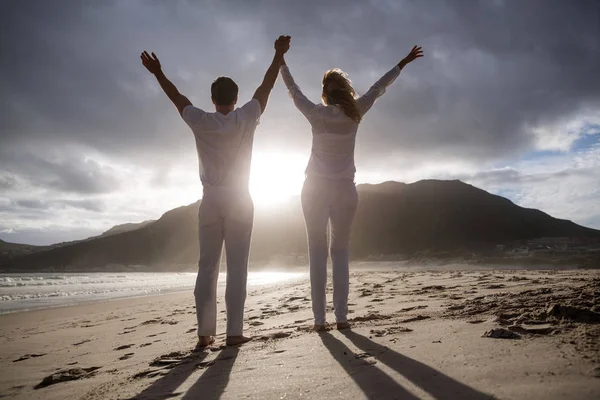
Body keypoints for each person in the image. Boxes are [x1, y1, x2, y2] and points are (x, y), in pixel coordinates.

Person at [140, 35, 291, 347]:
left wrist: (157, 72)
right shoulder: (247, 116)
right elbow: (266, 87)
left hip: (210, 200)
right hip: (240, 198)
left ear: (212, 100)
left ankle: (205, 334)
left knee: (206, 267)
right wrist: (278, 55)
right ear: (236, 99)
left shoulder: (201, 120)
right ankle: (233, 333)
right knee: (237, 267)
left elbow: (176, 97)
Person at [280, 45, 424, 331]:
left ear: (325, 92)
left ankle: (320, 321)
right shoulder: (356, 110)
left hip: (315, 189)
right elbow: (379, 87)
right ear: (345, 91)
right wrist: (402, 63)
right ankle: (342, 318)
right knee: (341, 253)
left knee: (317, 253)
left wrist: (280, 61)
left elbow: (293, 90)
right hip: (345, 190)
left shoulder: (315, 113)